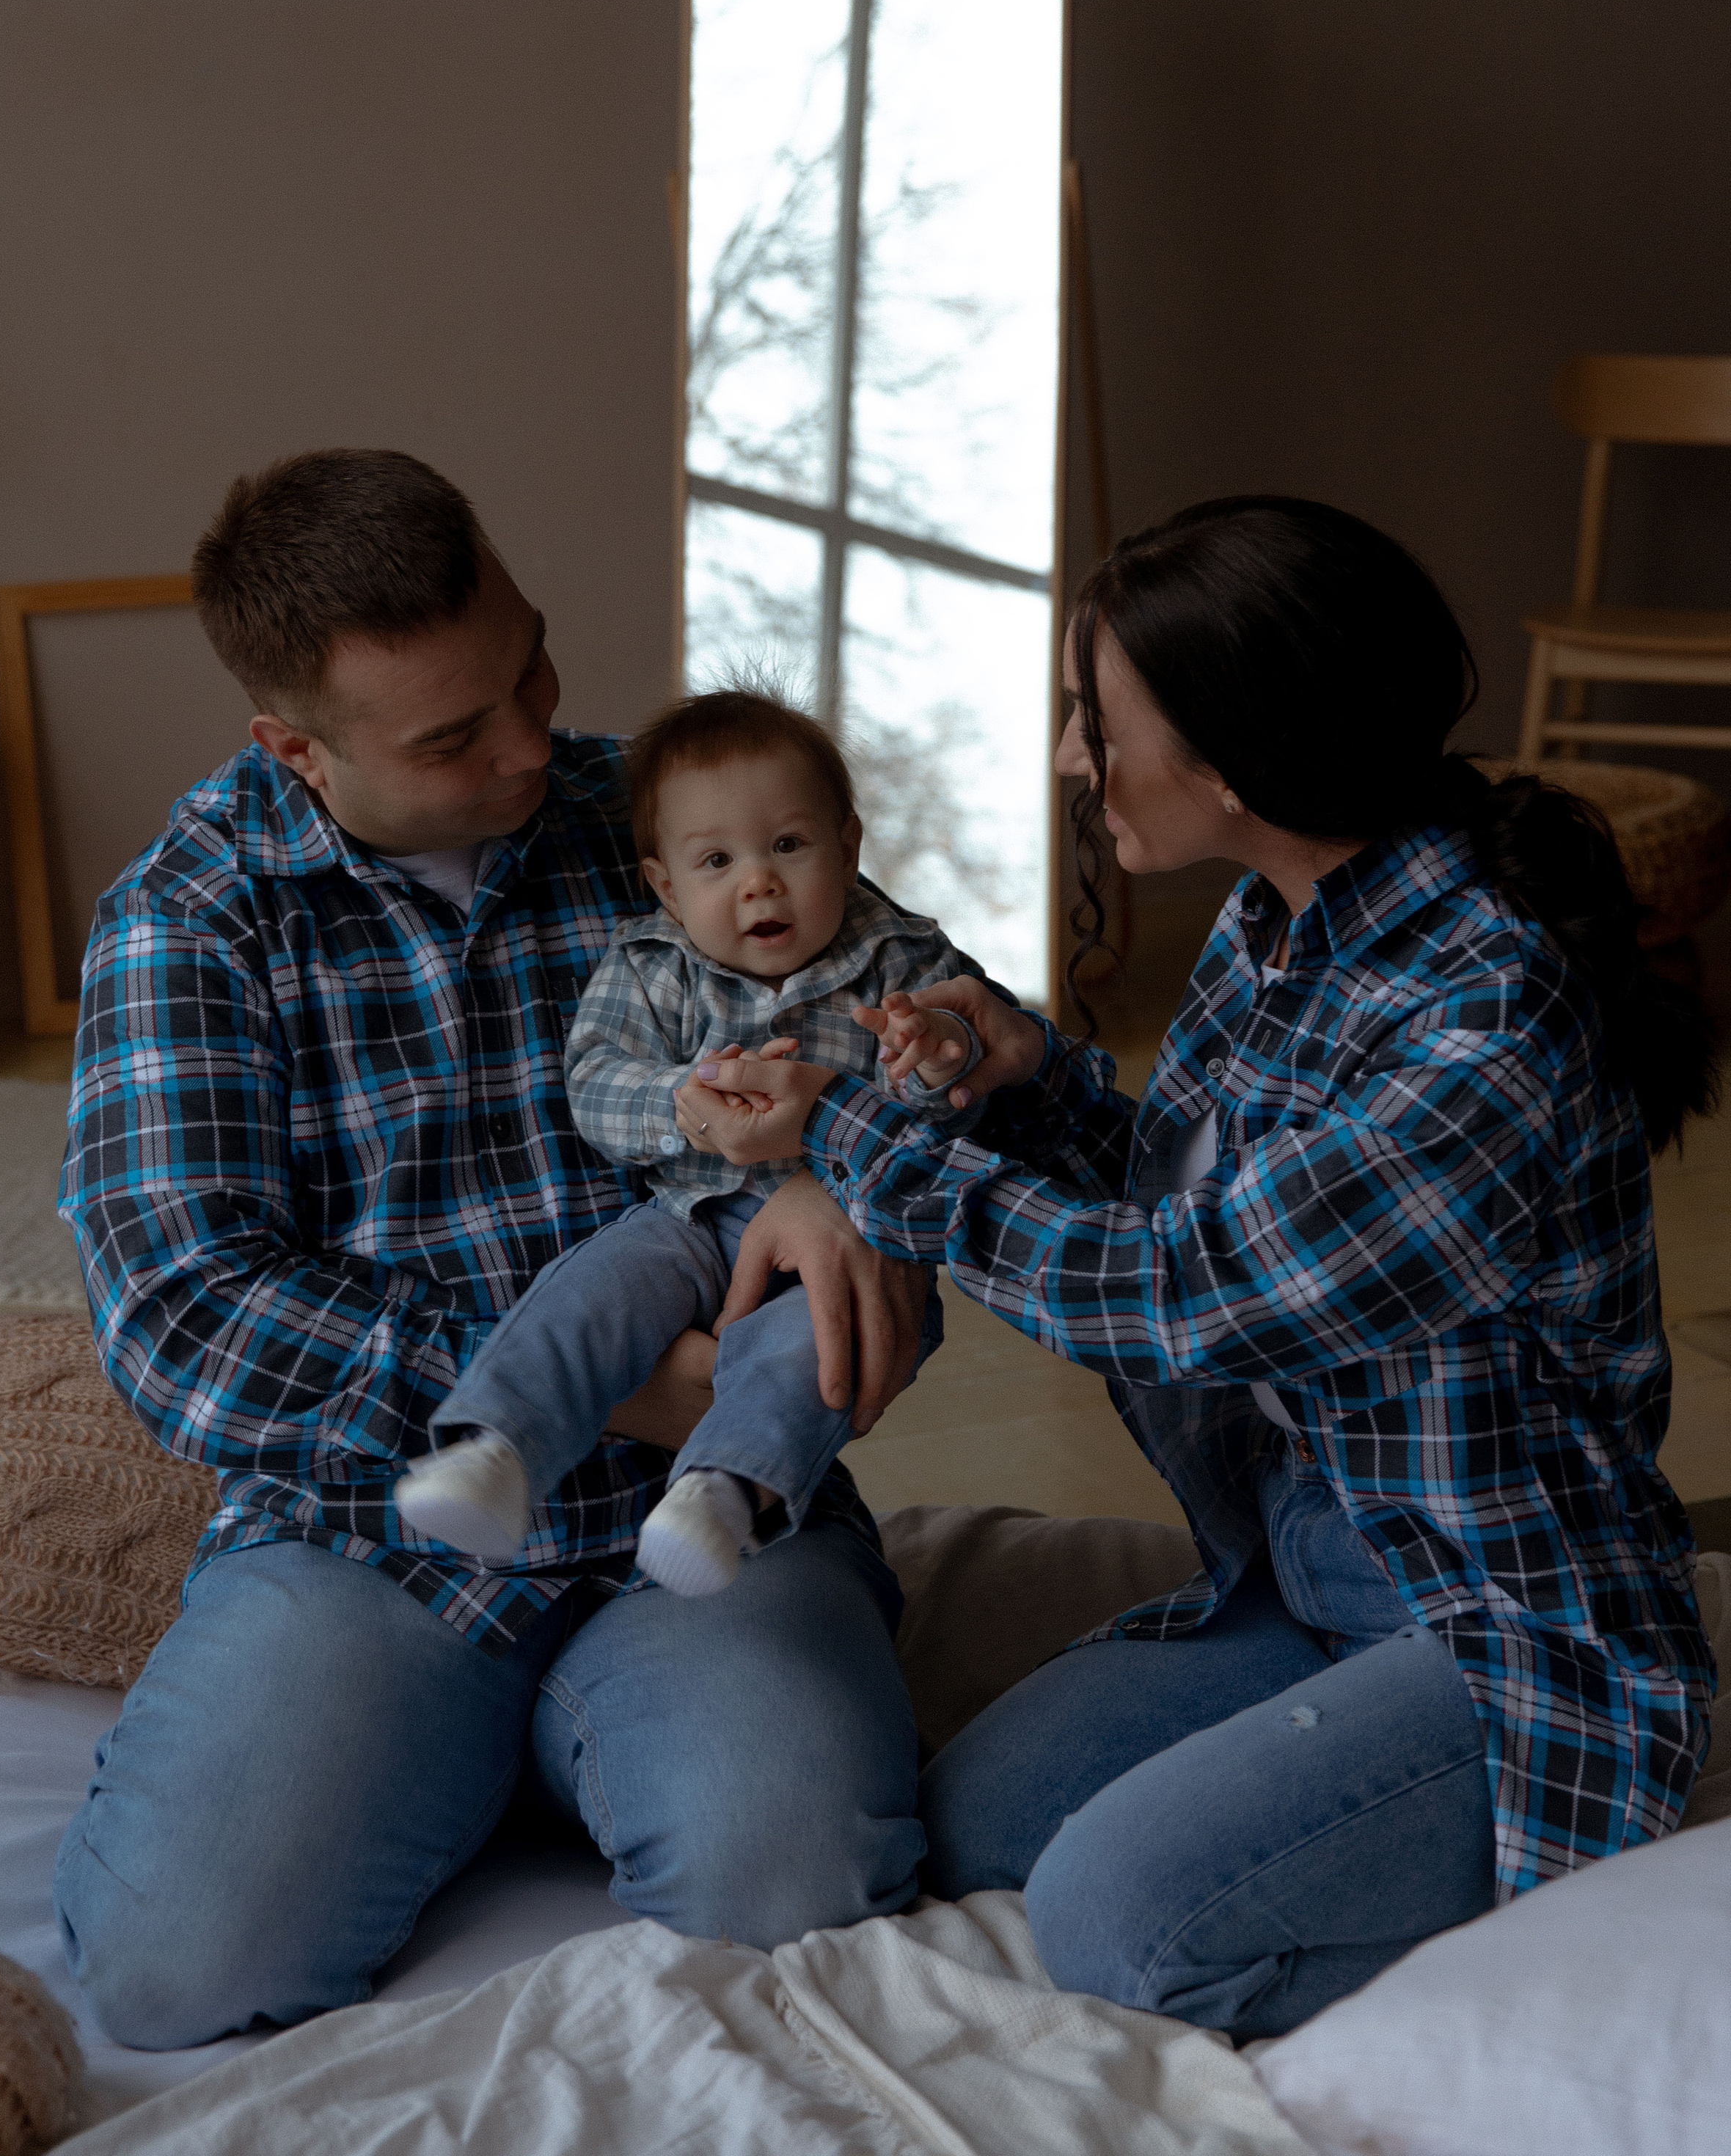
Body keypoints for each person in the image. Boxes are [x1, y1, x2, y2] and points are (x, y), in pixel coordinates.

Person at [691, 494, 1720, 2043]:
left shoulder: (1479, 1026)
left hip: (1489, 1621)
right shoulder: (1275, 918)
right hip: (1294, 1570)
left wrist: (852, 1139)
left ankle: (1570, 1863)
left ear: (1235, 758)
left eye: (1091, 722)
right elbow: (1176, 1195)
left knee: (1121, 1923)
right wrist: (1019, 1082)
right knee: (981, 1828)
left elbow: (1181, 1294)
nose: (1064, 759)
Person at [52, 450, 934, 2050]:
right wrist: (599, 1391)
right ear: (293, 750)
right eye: (456, 735)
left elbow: (919, 1056)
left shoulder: (664, 820)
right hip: (378, 1529)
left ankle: (579, 1731)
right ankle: (485, 1736)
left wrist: (834, 1186)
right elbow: (183, 1318)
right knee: (173, 1969)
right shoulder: (192, 919)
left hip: (706, 1515)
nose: (534, 742)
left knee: (791, 1868)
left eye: (528, 665)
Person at [394, 688, 981, 1597]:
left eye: (789, 844)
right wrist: (682, 1099)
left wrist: (936, 1060)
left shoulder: (902, 959)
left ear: (848, 844)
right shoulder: (651, 963)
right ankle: (494, 1450)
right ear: (666, 883)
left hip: (838, 1237)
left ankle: (718, 1492)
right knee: (590, 1293)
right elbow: (592, 1078)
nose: (759, 881)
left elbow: (973, 1091)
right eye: (717, 859)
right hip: (687, 1212)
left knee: (812, 1346)